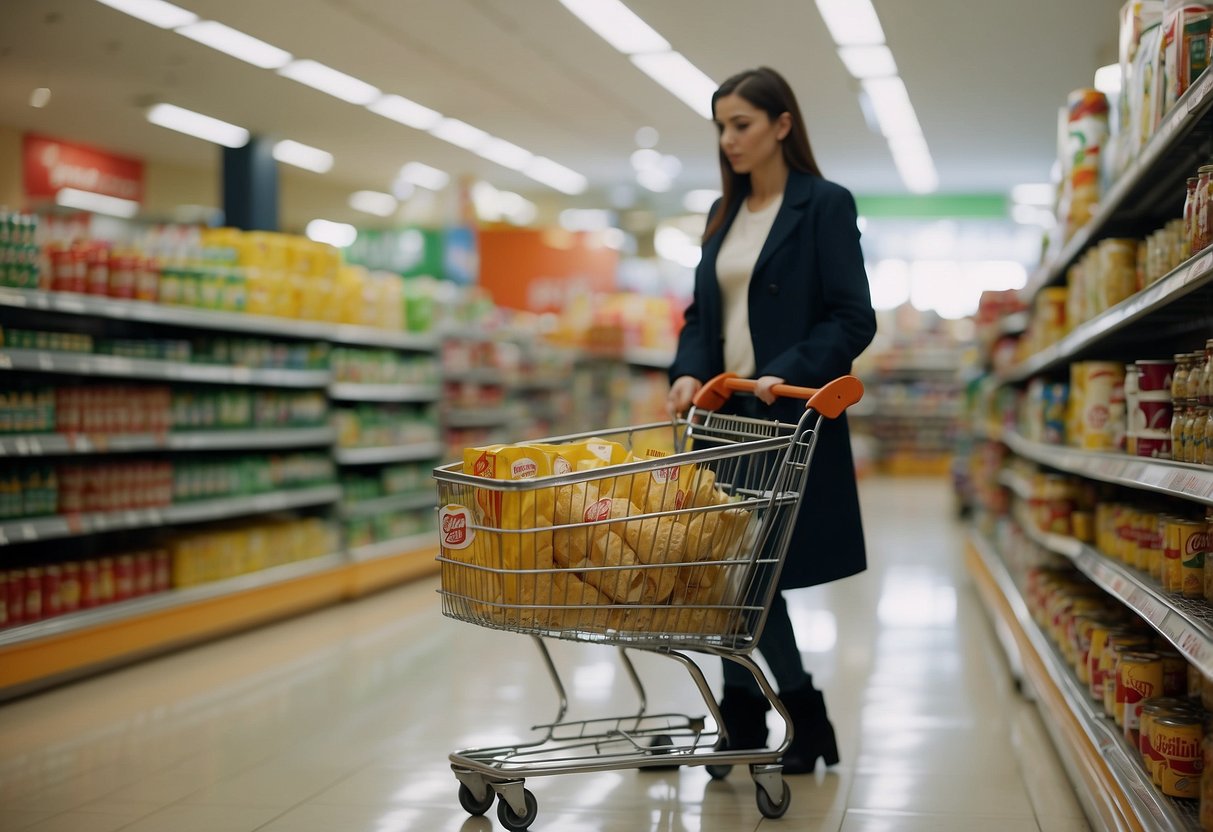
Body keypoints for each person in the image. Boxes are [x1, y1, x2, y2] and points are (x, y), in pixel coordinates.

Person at [666, 66, 877, 774]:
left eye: (741, 124)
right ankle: (763, 718)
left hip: (786, 417)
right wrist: (688, 372)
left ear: (781, 125)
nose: (728, 139)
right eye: (721, 126)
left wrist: (787, 367)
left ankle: (782, 713)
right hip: (721, 419)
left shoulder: (822, 205)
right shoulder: (721, 215)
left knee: (754, 574)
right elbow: (703, 316)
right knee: (729, 570)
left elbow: (853, 317)